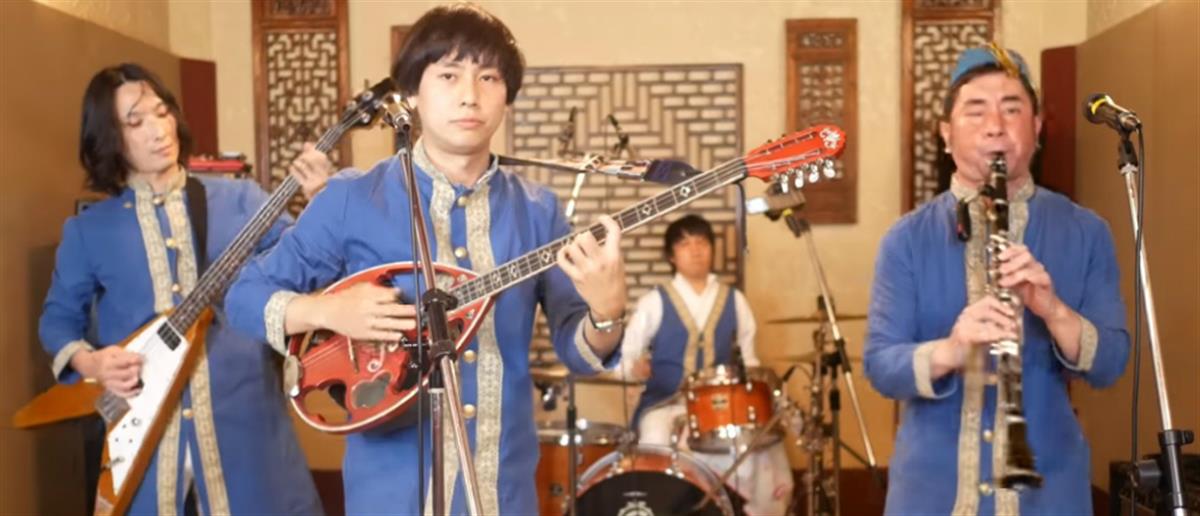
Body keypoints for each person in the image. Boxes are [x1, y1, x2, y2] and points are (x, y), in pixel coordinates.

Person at [224, 4, 627, 514]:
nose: (470, 94)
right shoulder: (353, 199)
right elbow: (244, 296)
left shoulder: (537, 210)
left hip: (503, 492)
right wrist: (328, 311)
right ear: (412, 93)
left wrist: (607, 313)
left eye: (489, 77)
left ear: (507, 97)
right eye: (449, 75)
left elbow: (579, 349)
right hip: (390, 499)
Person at [39, 63, 330, 514]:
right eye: (136, 122)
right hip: (146, 439)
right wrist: (91, 361)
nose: (159, 130)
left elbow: (310, 271)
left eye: (162, 113)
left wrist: (321, 200)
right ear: (109, 138)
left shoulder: (242, 200)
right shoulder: (89, 230)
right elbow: (58, 322)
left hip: (247, 429)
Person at [864, 43, 1130, 515]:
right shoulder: (905, 240)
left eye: (1012, 109)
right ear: (945, 134)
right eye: (975, 111)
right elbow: (881, 365)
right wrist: (952, 349)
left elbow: (1110, 363)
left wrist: (1053, 311)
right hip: (932, 496)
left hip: (1050, 494)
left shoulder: (1085, 231)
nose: (995, 126)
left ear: (1037, 127)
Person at [620, 214, 792, 515]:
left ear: (712, 249)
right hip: (663, 404)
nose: (695, 250)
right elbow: (625, 356)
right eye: (685, 244)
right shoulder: (654, 301)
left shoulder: (735, 300)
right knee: (655, 442)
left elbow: (750, 360)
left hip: (720, 408)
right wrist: (634, 368)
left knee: (752, 448)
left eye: (702, 242)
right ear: (672, 256)